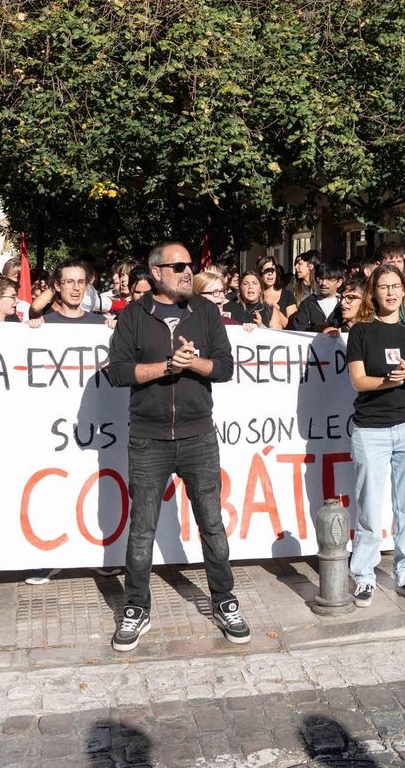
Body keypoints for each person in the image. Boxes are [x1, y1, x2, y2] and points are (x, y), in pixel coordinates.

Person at [105, 242, 247, 652]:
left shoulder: (205, 312)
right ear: (156, 273)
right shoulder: (132, 316)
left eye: (192, 265)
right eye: (180, 265)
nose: (189, 271)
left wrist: (193, 364)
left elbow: (223, 367)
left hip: (198, 436)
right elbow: (117, 373)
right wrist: (168, 366)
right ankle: (136, 607)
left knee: (212, 524)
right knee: (142, 529)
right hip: (148, 439)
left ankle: (224, 600)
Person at [347, 265, 405, 606]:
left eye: (396, 286)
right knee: (369, 506)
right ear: (374, 292)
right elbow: (358, 381)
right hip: (370, 429)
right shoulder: (361, 331)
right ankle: (364, 575)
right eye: (384, 287)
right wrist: (387, 382)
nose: (390, 293)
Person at [36, 260, 110, 325]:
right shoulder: (45, 323)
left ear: (86, 286)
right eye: (69, 282)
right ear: (57, 286)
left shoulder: (101, 323)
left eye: (81, 282)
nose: (76, 288)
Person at [288, 261, 346, 331]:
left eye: (329, 279)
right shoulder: (307, 304)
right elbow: (299, 330)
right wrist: (319, 329)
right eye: (321, 279)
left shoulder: (345, 304)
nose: (323, 283)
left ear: (339, 282)